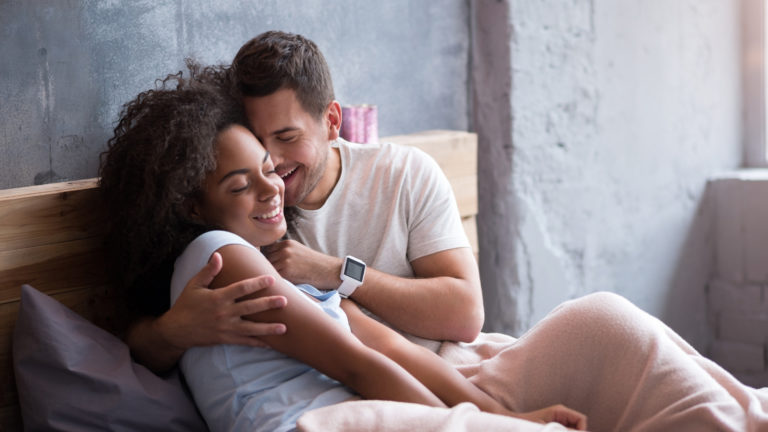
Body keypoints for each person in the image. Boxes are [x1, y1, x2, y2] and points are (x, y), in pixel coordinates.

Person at [98, 64, 587, 431]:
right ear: (192, 206)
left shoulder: (285, 261)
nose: (273, 189)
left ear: (331, 121)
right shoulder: (218, 255)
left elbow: (390, 348)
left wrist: (510, 417)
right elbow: (358, 364)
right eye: (239, 185)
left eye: (268, 167)